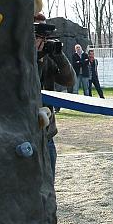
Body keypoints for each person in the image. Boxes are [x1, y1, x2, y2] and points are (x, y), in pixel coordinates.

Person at [35, 20, 75, 175]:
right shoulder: (18, 61)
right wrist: (35, 59)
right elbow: (30, 87)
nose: (43, 42)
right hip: (27, 134)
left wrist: (58, 55)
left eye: (46, 38)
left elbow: (69, 81)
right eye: (39, 37)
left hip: (48, 135)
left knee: (49, 184)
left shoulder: (48, 59)